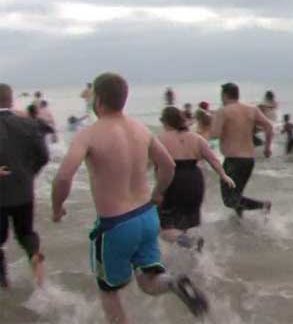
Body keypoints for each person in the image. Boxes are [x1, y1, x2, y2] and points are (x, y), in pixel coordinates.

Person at [51, 73, 208, 323]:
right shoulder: (140, 129)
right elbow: (167, 165)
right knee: (149, 280)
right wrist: (157, 193)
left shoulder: (89, 134)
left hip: (115, 225)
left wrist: (57, 208)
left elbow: (63, 177)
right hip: (147, 218)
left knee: (109, 292)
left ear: (98, 100)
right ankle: (173, 282)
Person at [156, 107, 235, 250]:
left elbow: (148, 163)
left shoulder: (161, 139)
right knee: (185, 223)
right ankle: (192, 263)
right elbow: (213, 159)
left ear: (166, 122)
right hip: (194, 180)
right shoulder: (196, 138)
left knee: (162, 227)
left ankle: (189, 242)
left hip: (173, 180)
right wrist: (223, 175)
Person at [0, 83, 50, 288]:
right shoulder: (28, 124)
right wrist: (29, 173)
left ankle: (3, 284)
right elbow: (43, 156)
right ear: (11, 100)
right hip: (23, 191)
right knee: (27, 233)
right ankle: (35, 258)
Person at [211, 82, 273, 217]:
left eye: (221, 96)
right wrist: (267, 148)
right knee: (236, 195)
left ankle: (263, 205)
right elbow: (269, 126)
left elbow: (214, 134)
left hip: (233, 161)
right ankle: (240, 223)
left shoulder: (223, 110)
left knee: (229, 200)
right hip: (248, 160)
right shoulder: (251, 109)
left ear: (225, 95)